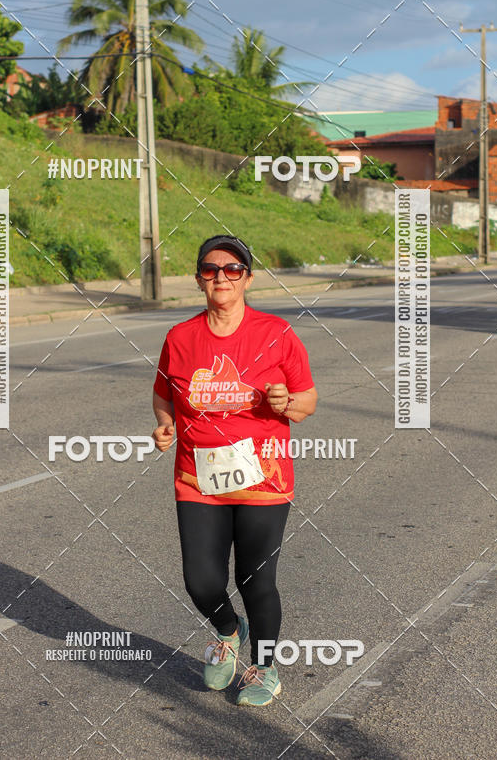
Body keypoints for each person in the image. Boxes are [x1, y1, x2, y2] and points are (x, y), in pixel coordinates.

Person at [152, 234, 317, 707]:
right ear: (199, 277)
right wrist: (165, 424)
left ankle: (264, 667)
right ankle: (228, 629)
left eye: (232, 268)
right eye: (210, 269)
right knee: (200, 580)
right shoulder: (180, 338)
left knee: (255, 579)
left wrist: (289, 403)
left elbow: (308, 398)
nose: (220, 277)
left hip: (264, 478)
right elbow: (165, 391)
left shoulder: (277, 333)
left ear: (247, 276)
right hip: (198, 477)